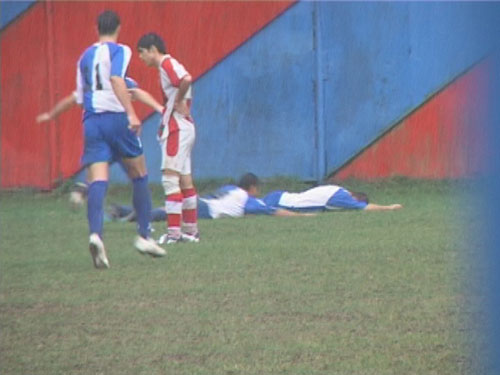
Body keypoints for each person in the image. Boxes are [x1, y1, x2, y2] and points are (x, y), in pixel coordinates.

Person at [70, 10, 166, 268]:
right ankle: (144, 235)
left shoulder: (84, 57)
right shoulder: (121, 50)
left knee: (98, 178)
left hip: (91, 121)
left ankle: (95, 235)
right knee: (140, 173)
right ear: (119, 28)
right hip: (115, 118)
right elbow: (115, 79)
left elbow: (81, 96)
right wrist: (132, 113)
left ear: (96, 28)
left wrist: (156, 107)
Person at [37, 76, 164, 210]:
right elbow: (137, 93)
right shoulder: (122, 80)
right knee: (139, 176)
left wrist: (51, 115)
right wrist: (159, 108)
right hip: (122, 133)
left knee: (98, 167)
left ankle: (84, 189)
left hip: (99, 132)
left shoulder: (92, 83)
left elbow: (71, 99)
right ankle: (146, 214)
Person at [137, 32, 200, 245]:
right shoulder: (171, 63)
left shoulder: (166, 64)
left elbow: (186, 80)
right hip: (185, 126)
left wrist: (179, 99)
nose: (141, 58)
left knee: (170, 179)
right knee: (185, 180)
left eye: (142, 53)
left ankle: (174, 234)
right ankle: (191, 231)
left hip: (176, 128)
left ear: (153, 49)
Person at [106, 173, 313, 230]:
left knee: (169, 210)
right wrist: (302, 216)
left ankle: (124, 210)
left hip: (202, 202)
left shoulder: (230, 189)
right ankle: (134, 215)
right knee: (167, 213)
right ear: (252, 188)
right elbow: (273, 211)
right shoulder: (247, 199)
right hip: (207, 211)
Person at [263, 183, 403, 212]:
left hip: (280, 196)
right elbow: (366, 208)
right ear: (355, 198)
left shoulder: (337, 189)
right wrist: (389, 207)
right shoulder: (341, 197)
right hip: (282, 203)